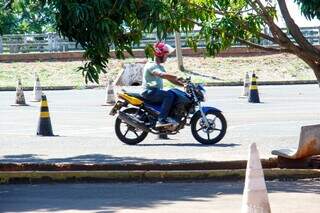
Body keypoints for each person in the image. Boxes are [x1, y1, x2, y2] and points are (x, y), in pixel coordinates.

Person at [141, 41, 184, 128]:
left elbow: (169, 79)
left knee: (173, 95)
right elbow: (161, 75)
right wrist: (177, 76)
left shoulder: (160, 66)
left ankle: (163, 131)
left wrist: (183, 84)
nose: (167, 57)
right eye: (166, 55)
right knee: (169, 95)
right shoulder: (152, 65)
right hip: (149, 92)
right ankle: (161, 120)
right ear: (160, 54)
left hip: (155, 92)